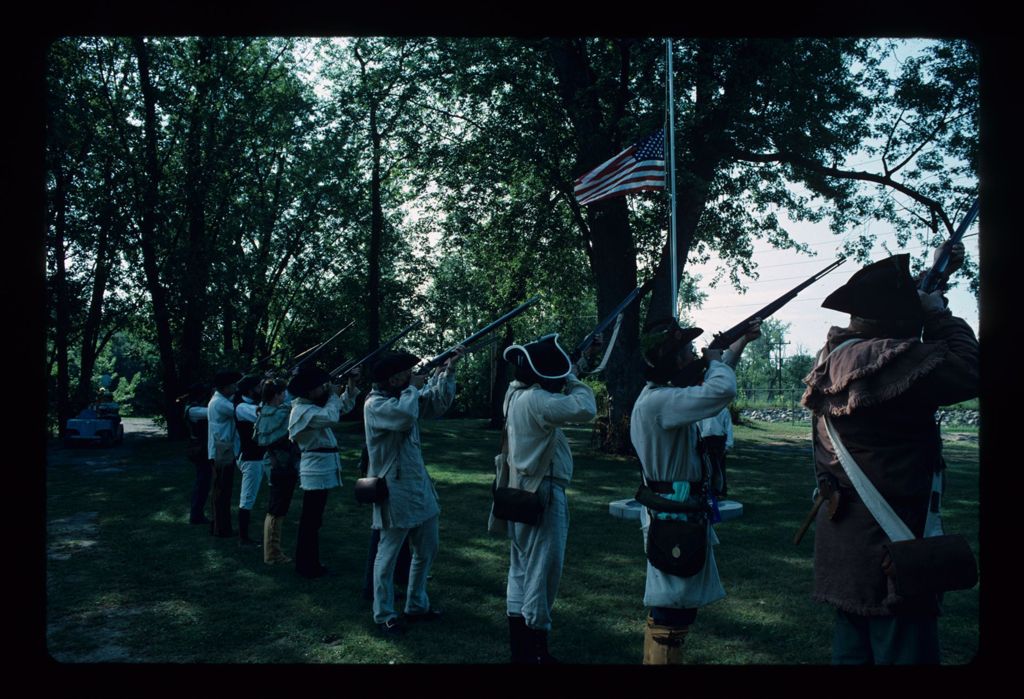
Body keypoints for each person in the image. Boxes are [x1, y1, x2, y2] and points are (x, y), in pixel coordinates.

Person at [799, 248, 978, 665]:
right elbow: (970, 369)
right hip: (892, 549)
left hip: (850, 545)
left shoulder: (837, 354)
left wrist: (923, 291)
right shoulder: (880, 359)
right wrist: (936, 315)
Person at [629, 316, 761, 664]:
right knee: (672, 605)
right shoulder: (662, 401)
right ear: (672, 360)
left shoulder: (663, 396)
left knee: (678, 603)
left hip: (678, 508)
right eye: (687, 350)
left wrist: (738, 344)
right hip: (675, 511)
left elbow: (710, 382)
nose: (694, 355)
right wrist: (717, 359)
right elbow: (721, 389)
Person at [494, 334, 596, 663]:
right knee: (542, 574)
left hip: (519, 491)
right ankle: (536, 652)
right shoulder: (536, 400)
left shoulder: (514, 395)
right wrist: (571, 377)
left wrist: (567, 369)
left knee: (521, 570)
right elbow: (586, 407)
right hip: (543, 493)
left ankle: (520, 651)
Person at [363, 347, 463, 636]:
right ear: (392, 380)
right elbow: (405, 417)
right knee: (388, 554)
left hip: (419, 485)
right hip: (394, 490)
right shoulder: (375, 405)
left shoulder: (403, 396)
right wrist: (412, 389)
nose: (410, 376)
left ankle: (416, 604)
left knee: (427, 549)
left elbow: (438, 404)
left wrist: (448, 370)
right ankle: (383, 614)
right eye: (405, 373)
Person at [287, 365, 361, 578]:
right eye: (320, 387)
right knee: (310, 520)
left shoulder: (311, 406)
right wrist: (333, 395)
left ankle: (309, 562)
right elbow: (331, 415)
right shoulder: (302, 410)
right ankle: (307, 565)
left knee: (313, 520)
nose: (324, 390)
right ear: (309, 391)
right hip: (316, 467)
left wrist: (351, 384)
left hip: (320, 465)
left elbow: (342, 408)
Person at [254, 379, 300, 565]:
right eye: (282, 393)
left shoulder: (263, 410)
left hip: (274, 464)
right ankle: (272, 553)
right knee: (277, 508)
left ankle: (272, 550)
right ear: (276, 395)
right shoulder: (282, 412)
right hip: (281, 465)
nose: (284, 396)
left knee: (276, 508)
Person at [208, 370, 242, 538]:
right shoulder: (221, 403)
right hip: (223, 451)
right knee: (223, 491)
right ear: (225, 387)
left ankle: (218, 526)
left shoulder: (218, 400)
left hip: (220, 449)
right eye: (233, 385)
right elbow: (238, 411)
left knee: (220, 490)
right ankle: (222, 528)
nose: (235, 388)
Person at [234, 374, 266, 548]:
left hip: (258, 457)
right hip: (250, 458)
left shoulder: (250, 404)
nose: (262, 390)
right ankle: (243, 538)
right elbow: (262, 416)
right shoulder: (242, 407)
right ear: (250, 389)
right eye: (259, 386)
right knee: (247, 499)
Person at [184, 382, 212, 524]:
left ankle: (197, 513)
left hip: (201, 448)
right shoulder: (194, 410)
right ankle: (196, 514)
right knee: (202, 482)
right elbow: (211, 412)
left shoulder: (194, 408)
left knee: (203, 482)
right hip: (200, 449)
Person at [697, 406, 734, 498]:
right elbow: (699, 426)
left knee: (719, 466)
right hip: (706, 440)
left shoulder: (724, 410)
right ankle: (707, 490)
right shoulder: (703, 410)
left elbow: (729, 427)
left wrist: (729, 444)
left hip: (719, 440)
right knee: (706, 467)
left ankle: (720, 490)